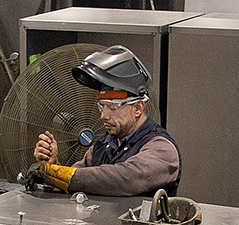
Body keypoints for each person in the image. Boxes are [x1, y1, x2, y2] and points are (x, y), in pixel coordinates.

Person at [30, 46, 181, 198]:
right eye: (102, 107)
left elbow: (125, 179)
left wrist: (55, 174)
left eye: (112, 107)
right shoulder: (101, 147)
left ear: (138, 108)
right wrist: (53, 166)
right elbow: (77, 182)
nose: (104, 116)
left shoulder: (162, 149)